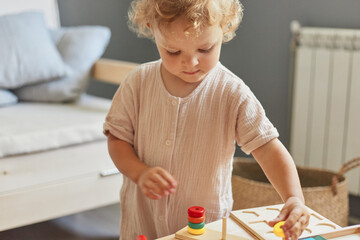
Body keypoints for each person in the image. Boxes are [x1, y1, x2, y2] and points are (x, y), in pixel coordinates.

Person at [103, 0, 310, 239]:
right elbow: (117, 139)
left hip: (206, 229)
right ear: (151, 29)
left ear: (225, 27)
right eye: (173, 51)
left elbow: (267, 148)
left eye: (205, 49)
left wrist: (294, 197)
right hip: (143, 225)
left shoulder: (232, 93)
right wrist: (139, 172)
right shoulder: (137, 83)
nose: (190, 62)